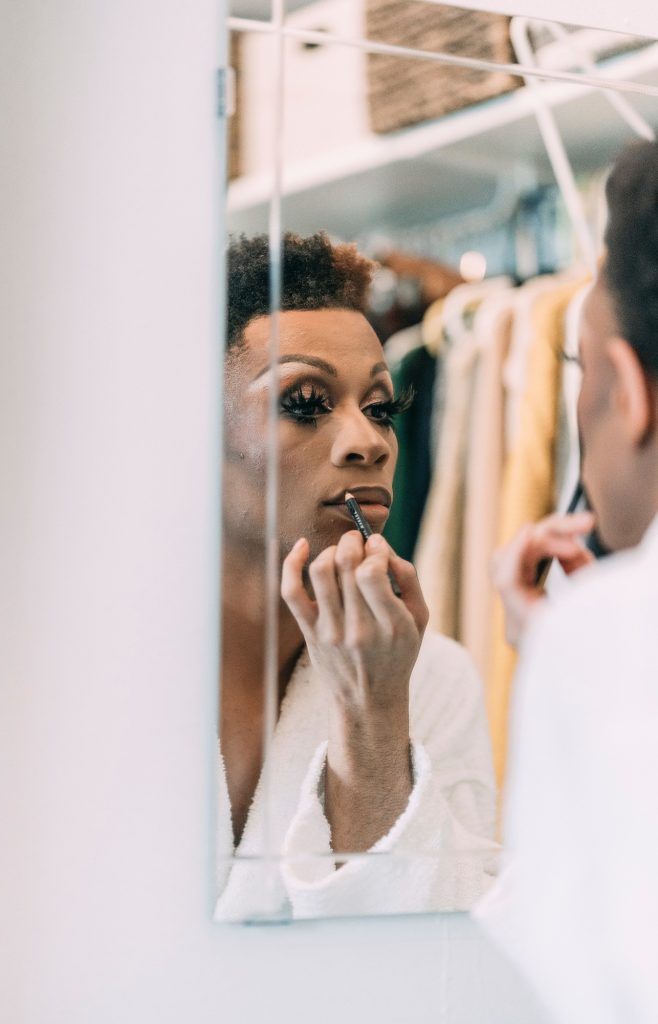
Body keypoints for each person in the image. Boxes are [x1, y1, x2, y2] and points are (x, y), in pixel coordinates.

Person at [216, 231, 498, 921]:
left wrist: (372, 718)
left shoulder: (435, 680)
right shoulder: (86, 675)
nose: (369, 441)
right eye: (306, 401)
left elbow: (446, 959)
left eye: (380, 408)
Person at [476, 140, 658, 1023]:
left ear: (627, 390)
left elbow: (572, 976)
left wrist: (555, 654)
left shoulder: (607, 636)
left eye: (580, 372)